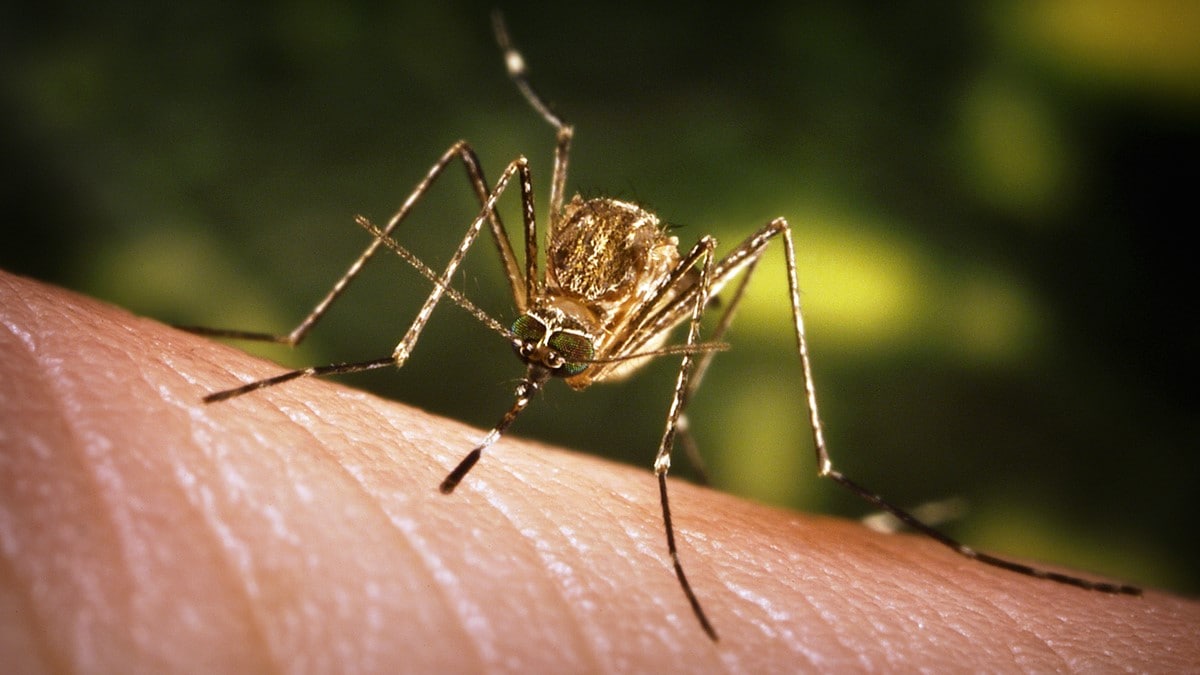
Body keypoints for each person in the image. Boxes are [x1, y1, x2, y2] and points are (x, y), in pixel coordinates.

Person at [2, 269, 1195, 672]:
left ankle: (769, 471)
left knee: (763, 234)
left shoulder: (632, 330)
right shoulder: (535, 311)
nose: (531, 370)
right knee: (496, 160)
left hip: (623, 312)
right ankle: (352, 345)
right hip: (573, 292)